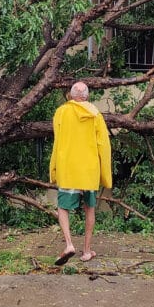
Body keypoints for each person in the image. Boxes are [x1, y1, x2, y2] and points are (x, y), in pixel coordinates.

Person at [49, 81, 112, 265]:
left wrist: (53, 168)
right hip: (89, 169)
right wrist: (105, 174)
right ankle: (86, 251)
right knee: (89, 208)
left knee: (63, 207)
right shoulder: (95, 114)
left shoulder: (61, 112)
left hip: (68, 167)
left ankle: (69, 244)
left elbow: (57, 140)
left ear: (70, 96)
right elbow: (103, 145)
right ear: (87, 96)